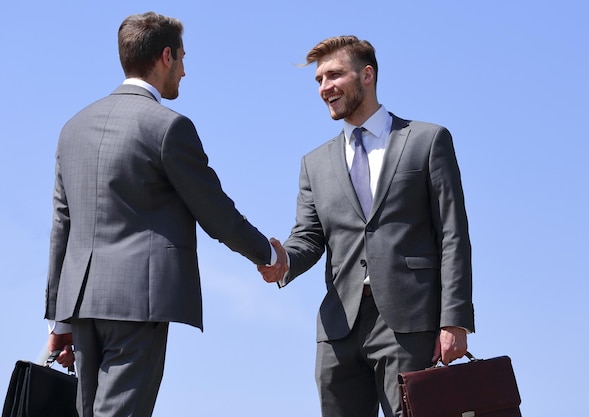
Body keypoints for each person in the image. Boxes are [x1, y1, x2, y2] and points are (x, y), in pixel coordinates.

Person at [45, 12, 285, 417]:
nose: (185, 72)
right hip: (139, 302)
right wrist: (269, 255)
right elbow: (215, 212)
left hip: (80, 303)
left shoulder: (72, 128)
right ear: (166, 56)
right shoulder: (168, 128)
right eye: (183, 59)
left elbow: (61, 227)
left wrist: (58, 320)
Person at [258, 35, 475, 417]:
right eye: (320, 80)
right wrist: (282, 260)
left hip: (409, 324)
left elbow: (453, 235)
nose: (325, 87)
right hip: (338, 328)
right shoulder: (314, 163)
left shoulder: (427, 141)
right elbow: (308, 237)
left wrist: (454, 321)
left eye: (334, 75)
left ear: (367, 75)